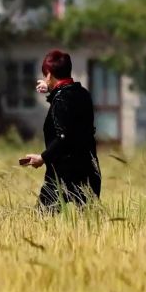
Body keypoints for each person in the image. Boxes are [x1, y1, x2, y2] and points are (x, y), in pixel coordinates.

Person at [21, 49, 101, 210]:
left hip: (63, 174)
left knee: (43, 218)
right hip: (89, 170)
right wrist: (52, 88)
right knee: (89, 221)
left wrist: (42, 158)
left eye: (46, 75)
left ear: (49, 74)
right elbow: (69, 99)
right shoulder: (83, 94)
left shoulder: (61, 99)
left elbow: (64, 136)